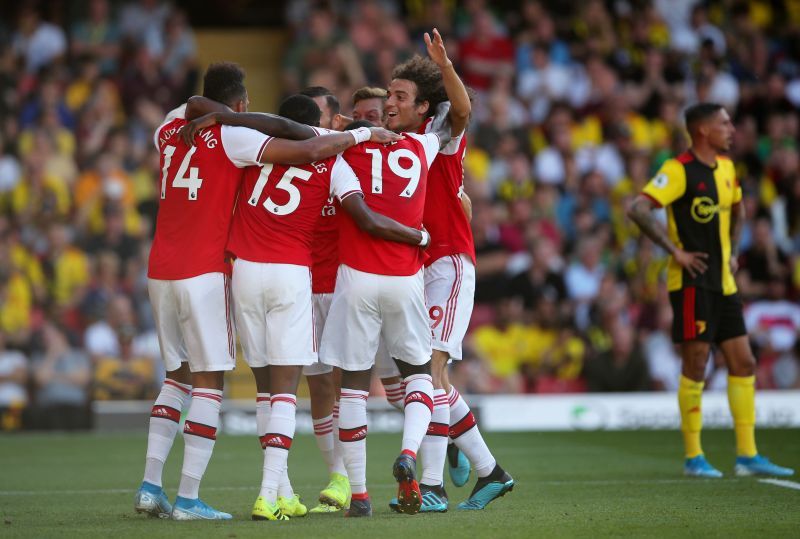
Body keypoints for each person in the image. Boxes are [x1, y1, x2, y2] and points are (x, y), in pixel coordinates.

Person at [135, 62, 399, 521]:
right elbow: (307, 147)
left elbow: (197, 105)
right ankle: (196, 498)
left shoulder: (169, 125)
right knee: (216, 383)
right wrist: (360, 136)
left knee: (175, 377)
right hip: (220, 270)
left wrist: (214, 110)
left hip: (167, 268)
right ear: (238, 106)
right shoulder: (242, 140)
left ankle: (149, 485)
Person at [382, 30, 514, 512]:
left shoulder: (440, 141)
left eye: (400, 96)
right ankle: (489, 471)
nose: (390, 102)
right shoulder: (394, 147)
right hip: (414, 269)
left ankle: (433, 487)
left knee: (431, 370)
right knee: (415, 381)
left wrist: (445, 67)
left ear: (423, 106)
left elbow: (461, 110)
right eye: (388, 95)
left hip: (450, 263)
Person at [627, 102, 794, 479]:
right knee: (696, 365)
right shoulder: (678, 170)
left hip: (724, 282)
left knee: (744, 362)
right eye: (724, 122)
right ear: (702, 130)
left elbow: (739, 210)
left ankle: (748, 455)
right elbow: (638, 209)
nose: (732, 128)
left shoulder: (728, 168)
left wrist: (733, 252)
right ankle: (693, 457)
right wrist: (676, 252)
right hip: (691, 282)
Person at [318, 109, 451, 517]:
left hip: (357, 278)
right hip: (404, 278)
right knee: (419, 375)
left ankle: (359, 495)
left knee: (354, 387)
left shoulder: (341, 160)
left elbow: (362, 216)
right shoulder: (418, 145)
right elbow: (451, 123)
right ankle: (409, 452)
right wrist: (438, 89)